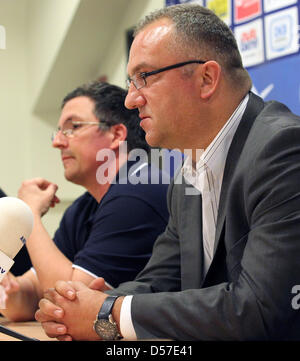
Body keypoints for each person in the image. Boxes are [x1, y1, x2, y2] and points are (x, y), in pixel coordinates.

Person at [35, 4, 300, 341]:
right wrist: (79, 307)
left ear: (206, 79)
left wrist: (106, 313)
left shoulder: (283, 150)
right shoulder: (185, 176)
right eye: (131, 82)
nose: (131, 100)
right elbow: (159, 283)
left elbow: (261, 309)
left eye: (144, 77)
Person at [0, 81, 169, 322]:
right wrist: (8, 291)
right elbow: (33, 295)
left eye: (72, 127)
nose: (57, 142)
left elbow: (70, 302)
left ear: (116, 135)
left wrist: (29, 214)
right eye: (57, 131)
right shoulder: (83, 207)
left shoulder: (139, 191)